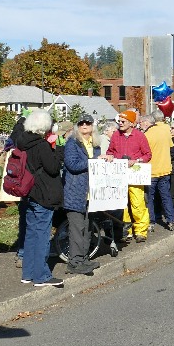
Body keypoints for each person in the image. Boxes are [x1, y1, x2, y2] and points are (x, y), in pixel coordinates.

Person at [13, 109, 66, 287]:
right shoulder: (41, 145)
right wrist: (58, 150)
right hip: (43, 192)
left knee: (31, 234)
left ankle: (28, 273)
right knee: (42, 235)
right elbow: (52, 168)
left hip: (28, 192)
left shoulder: (21, 142)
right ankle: (41, 275)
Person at [61, 115, 100, 275]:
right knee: (77, 229)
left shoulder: (96, 144)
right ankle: (74, 263)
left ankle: (83, 259)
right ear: (77, 126)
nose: (85, 125)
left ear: (92, 126)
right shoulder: (72, 142)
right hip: (75, 192)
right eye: (81, 123)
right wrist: (94, 161)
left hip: (91, 193)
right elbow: (72, 165)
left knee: (88, 228)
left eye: (88, 123)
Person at [105, 110, 152, 242]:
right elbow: (110, 151)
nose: (120, 123)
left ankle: (141, 231)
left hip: (135, 174)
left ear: (131, 123)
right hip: (119, 174)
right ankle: (126, 230)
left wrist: (136, 161)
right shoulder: (115, 136)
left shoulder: (139, 136)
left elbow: (147, 155)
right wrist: (110, 156)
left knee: (137, 203)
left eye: (123, 121)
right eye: (119, 121)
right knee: (122, 204)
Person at [142, 111, 174, 232]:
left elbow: (143, 152)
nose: (140, 124)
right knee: (166, 196)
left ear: (147, 123)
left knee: (149, 198)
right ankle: (171, 220)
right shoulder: (166, 130)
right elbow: (171, 147)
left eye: (141, 122)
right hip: (165, 168)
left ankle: (151, 222)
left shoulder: (146, 134)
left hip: (151, 170)